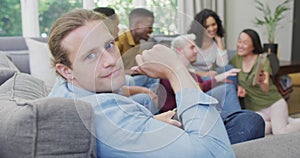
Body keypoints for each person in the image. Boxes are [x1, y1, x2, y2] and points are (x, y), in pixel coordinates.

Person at [47, 9, 235, 157]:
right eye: (90, 56)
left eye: (109, 46)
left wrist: (148, 122)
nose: (111, 60)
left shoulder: (66, 91)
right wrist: (176, 70)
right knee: (246, 122)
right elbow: (217, 153)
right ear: (66, 70)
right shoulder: (102, 115)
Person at [158, 34, 265, 144]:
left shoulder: (189, 71)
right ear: (180, 50)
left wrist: (220, 78)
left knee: (229, 76)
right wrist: (218, 78)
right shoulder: (171, 74)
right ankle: (237, 121)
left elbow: (201, 86)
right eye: (192, 47)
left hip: (197, 107)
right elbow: (193, 92)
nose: (196, 51)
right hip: (180, 115)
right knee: (228, 87)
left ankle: (238, 121)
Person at [230, 28, 300, 135]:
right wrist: (238, 86)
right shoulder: (236, 59)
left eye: (245, 43)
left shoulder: (263, 60)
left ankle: (283, 122)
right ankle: (284, 120)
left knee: (279, 132)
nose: (240, 45)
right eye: (239, 41)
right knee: (261, 129)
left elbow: (266, 87)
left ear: (254, 46)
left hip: (273, 103)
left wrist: (262, 81)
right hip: (255, 109)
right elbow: (229, 75)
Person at [116, 8, 159, 91]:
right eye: (149, 26)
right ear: (137, 25)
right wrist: (130, 72)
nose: (151, 30)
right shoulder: (119, 41)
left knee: (155, 76)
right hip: (121, 81)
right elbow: (109, 72)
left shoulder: (137, 41)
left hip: (131, 78)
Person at [187, 9, 230, 80]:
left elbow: (223, 65)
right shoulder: (191, 41)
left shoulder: (216, 43)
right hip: (193, 77)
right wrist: (204, 74)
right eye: (206, 27)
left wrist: (219, 39)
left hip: (209, 77)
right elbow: (183, 67)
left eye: (213, 24)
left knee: (229, 68)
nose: (212, 29)